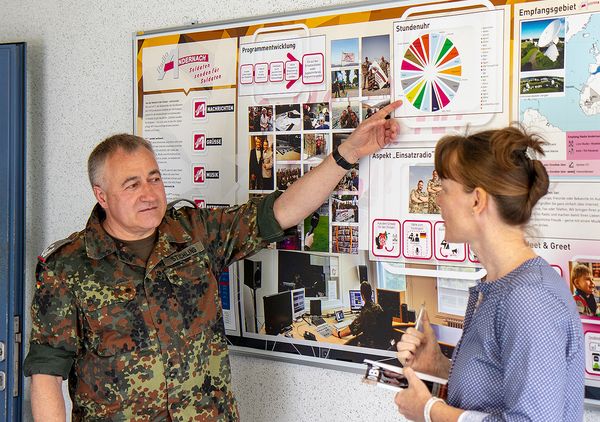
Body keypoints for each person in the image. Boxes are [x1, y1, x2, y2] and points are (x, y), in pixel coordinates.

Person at [24, 101, 403, 421]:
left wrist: (347, 154)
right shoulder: (67, 267)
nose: (149, 193)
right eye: (132, 184)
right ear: (102, 196)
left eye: (154, 178)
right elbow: (46, 375)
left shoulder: (195, 233)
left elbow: (282, 212)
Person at [395, 126, 584, 422]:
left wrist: (430, 411)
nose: (439, 201)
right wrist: (439, 366)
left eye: (445, 189)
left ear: (477, 201)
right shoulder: (496, 287)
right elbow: (497, 387)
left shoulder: (530, 300)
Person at [333, 281, 383, 349]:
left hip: (370, 345)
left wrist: (338, 333)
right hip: (379, 342)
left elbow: (352, 329)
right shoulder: (378, 306)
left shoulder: (365, 312)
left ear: (362, 295)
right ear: (371, 293)